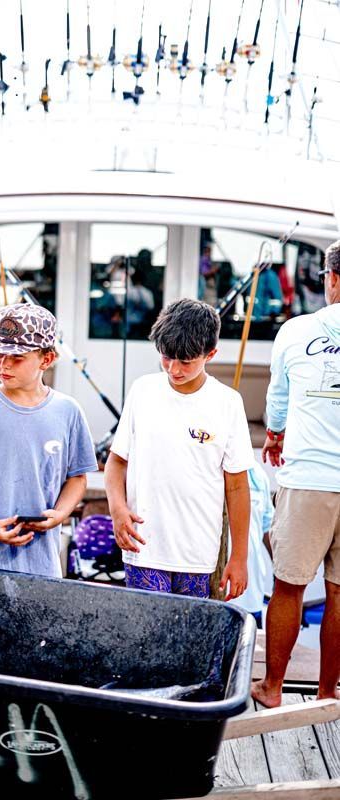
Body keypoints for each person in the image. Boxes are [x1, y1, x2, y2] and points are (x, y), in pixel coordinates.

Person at [105, 299, 254, 599]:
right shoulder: (142, 391)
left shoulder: (228, 403)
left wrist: (239, 557)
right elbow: (116, 462)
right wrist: (117, 509)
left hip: (198, 553)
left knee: (189, 640)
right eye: (166, 357)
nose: (174, 369)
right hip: (143, 546)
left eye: (186, 361)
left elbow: (237, 487)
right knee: (148, 636)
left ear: (210, 354)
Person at [252, 240, 340, 708]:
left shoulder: (296, 331)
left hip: (307, 479)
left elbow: (277, 401)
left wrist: (275, 436)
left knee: (287, 585)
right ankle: (328, 692)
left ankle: (273, 688)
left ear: (331, 279)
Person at [0, 303, 98, 577]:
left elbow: (78, 478)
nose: (4, 363)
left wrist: (60, 514)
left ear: (46, 359)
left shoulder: (69, 411)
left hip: (46, 564)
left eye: (17, 356)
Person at [229, 461, 274, 627]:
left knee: (248, 652)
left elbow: (267, 526)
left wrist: (280, 576)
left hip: (250, 596)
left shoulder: (258, 474)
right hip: (211, 595)